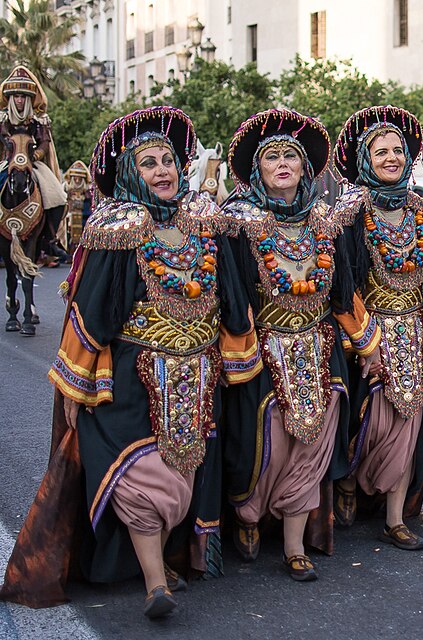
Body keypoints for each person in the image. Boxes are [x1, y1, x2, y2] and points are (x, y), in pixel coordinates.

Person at [0, 106, 260, 618]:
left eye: (168, 160)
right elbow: (90, 311)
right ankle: (154, 583)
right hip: (132, 378)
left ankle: (166, 560)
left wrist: (239, 360)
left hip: (199, 375)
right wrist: (75, 389)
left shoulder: (205, 222)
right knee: (143, 479)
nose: (163, 170)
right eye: (148, 163)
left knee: (185, 475)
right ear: (127, 173)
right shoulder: (116, 227)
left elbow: (232, 296)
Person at [220, 109, 378, 580]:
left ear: (307, 168)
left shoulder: (324, 220)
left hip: (319, 346)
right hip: (263, 349)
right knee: (263, 446)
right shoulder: (237, 220)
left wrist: (367, 344)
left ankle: (293, 545)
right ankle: (248, 516)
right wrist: (236, 356)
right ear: (258, 169)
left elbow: (343, 288)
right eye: (273, 156)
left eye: (292, 155)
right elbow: (230, 295)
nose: (284, 163)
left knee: (312, 448)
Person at [329, 106, 423, 550]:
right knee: (370, 421)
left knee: (410, 420)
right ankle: (351, 485)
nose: (392, 158)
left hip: (414, 333)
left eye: (399, 150)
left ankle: (396, 517)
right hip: (368, 336)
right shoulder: (350, 210)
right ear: (364, 160)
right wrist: (364, 340)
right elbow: (344, 281)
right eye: (381, 152)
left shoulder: (417, 205)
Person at [0, 66, 68, 266]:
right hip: (7, 163)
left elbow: (45, 143)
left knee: (58, 196)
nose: (20, 100)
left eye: (23, 96)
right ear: (11, 98)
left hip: (33, 164)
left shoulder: (38, 120)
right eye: (16, 96)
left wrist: (35, 155)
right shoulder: (3, 118)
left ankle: (49, 239)